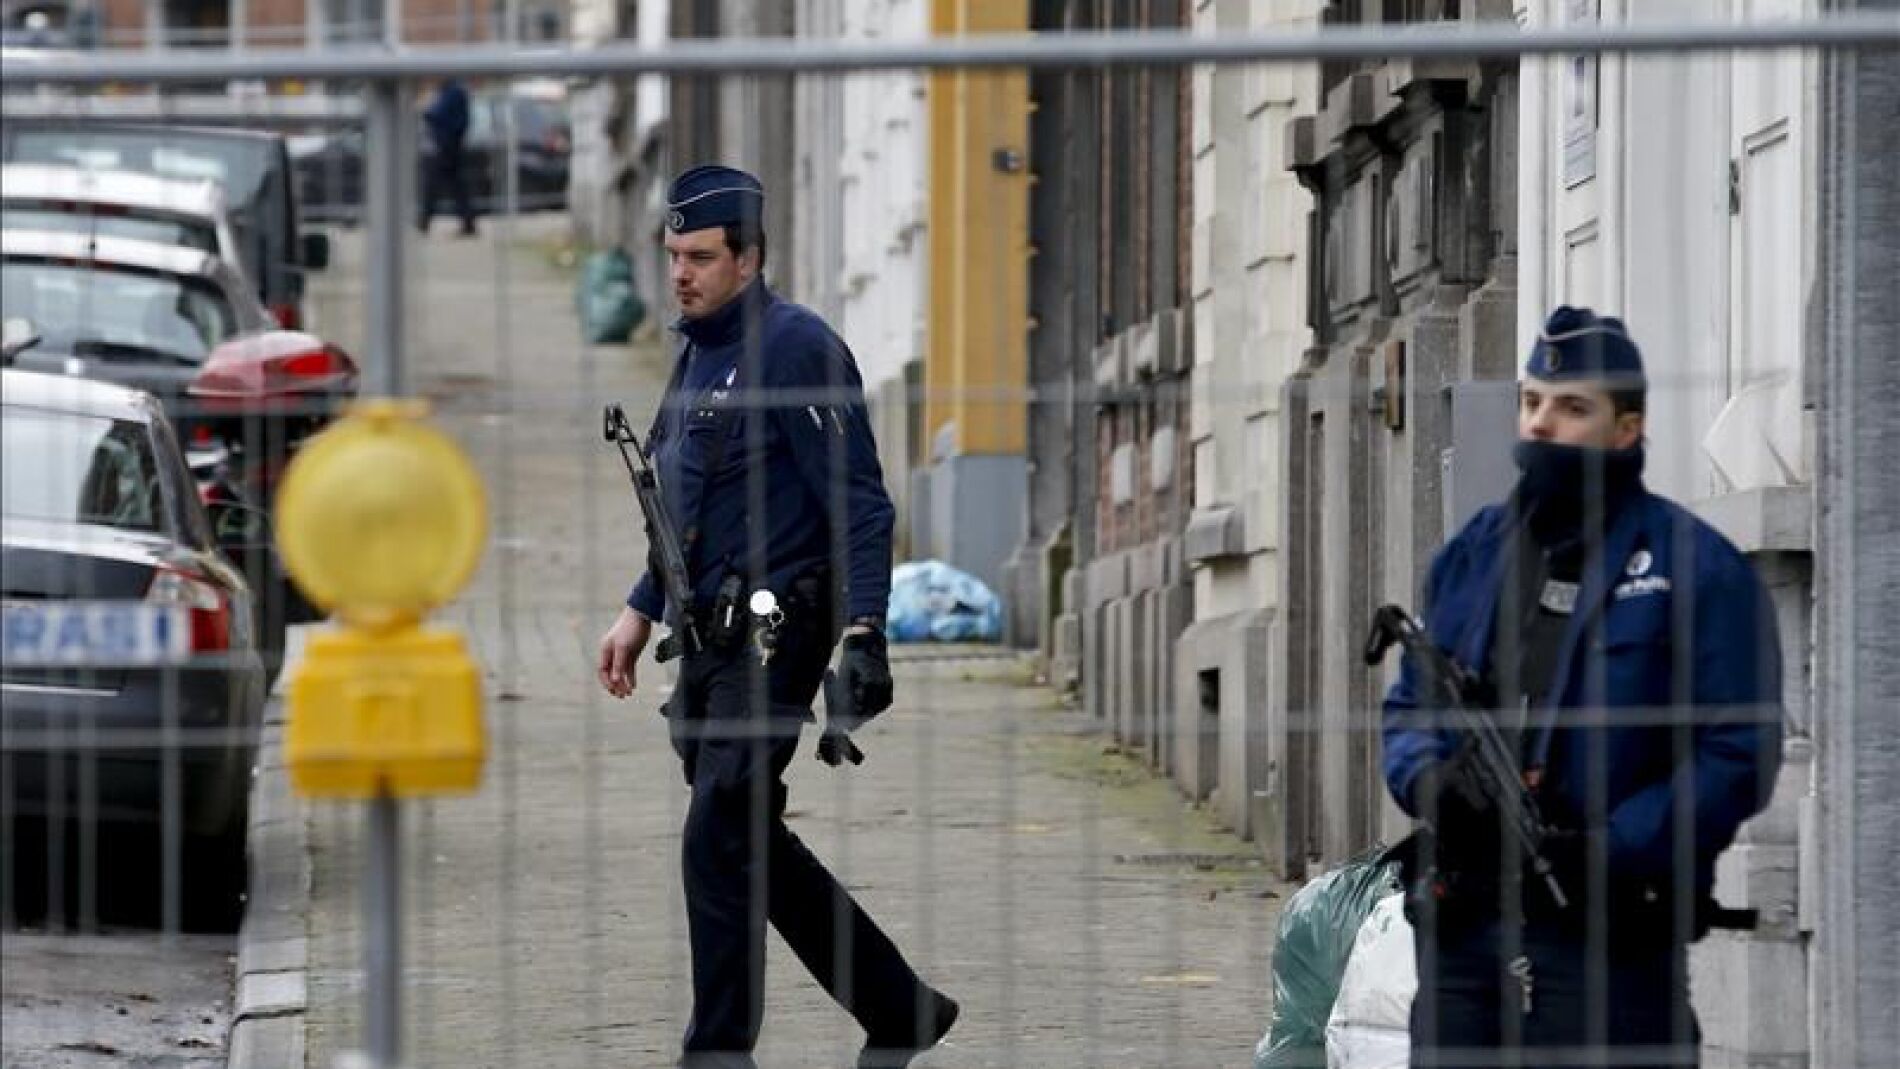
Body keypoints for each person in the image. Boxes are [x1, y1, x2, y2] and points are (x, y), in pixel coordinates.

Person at [595, 165, 959, 1069]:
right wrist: (638, 612)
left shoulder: (797, 349)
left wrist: (868, 632)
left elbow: (863, 506)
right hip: (707, 642)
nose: (681, 274)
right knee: (748, 836)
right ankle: (899, 1006)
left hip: (779, 635)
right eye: (674, 255)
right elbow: (681, 505)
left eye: (702, 258)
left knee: (717, 832)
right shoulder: (695, 354)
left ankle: (716, 1053)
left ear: (750, 259)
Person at [1381, 306, 1784, 1069]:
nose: (1541, 424)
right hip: (1466, 935)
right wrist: (1430, 778)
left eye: (1572, 408)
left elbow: (1740, 746)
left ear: (1626, 427)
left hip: (1611, 940)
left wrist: (1614, 847)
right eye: (1532, 401)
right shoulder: (1472, 556)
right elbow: (1411, 703)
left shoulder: (1695, 567)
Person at [419, 78, 476, 237]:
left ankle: (425, 222)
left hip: (447, 146)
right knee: (457, 186)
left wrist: (425, 107)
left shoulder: (452, 93)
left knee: (433, 184)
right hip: (450, 145)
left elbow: (436, 114)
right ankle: (468, 222)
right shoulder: (452, 92)